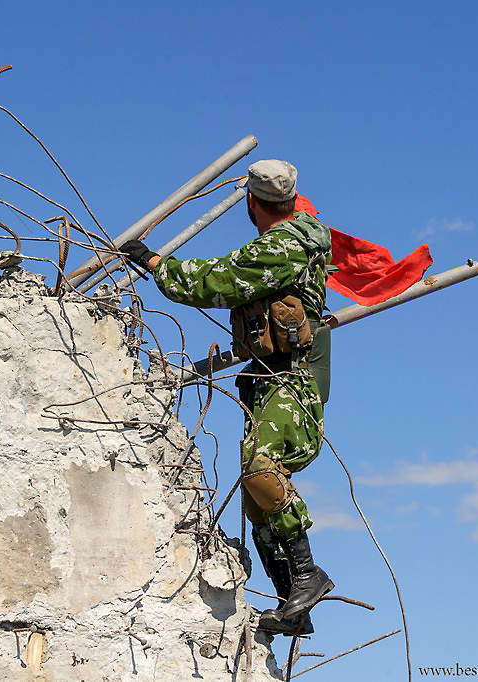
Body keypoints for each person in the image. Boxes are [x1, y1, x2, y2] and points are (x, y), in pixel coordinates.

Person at [120, 159, 334, 635]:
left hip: (290, 378)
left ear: (252, 202)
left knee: (262, 470)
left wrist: (157, 265)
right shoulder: (288, 239)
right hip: (267, 376)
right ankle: (292, 603)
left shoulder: (287, 244)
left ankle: (307, 575)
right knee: (258, 499)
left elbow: (217, 281)